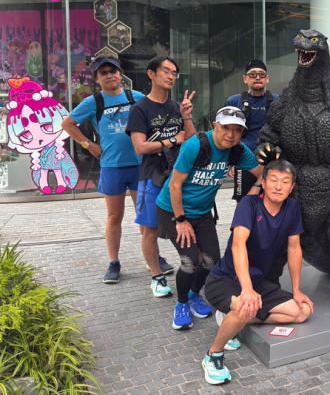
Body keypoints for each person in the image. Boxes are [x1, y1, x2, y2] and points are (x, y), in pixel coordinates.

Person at [202, 160, 314, 385]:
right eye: (273, 180)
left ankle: (231, 318)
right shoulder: (249, 204)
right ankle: (213, 354)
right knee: (245, 305)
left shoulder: (292, 207)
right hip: (226, 279)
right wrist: (246, 290)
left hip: (259, 282)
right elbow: (238, 245)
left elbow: (294, 248)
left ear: (292, 187)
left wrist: (296, 290)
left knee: (301, 311)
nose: (278, 186)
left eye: (285, 182)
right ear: (263, 182)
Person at [156, 106, 262, 330]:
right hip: (172, 210)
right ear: (215, 125)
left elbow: (262, 173)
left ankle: (194, 294)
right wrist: (181, 220)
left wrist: (256, 189)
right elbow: (175, 185)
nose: (230, 135)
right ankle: (181, 304)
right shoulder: (195, 145)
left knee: (212, 260)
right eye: (225, 128)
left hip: (202, 213)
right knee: (190, 261)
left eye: (237, 130)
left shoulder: (238, 150)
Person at [61, 57, 160, 284]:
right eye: (103, 73)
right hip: (112, 167)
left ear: (120, 74)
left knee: (145, 215)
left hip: (140, 165)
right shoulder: (93, 102)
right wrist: (88, 144)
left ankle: (153, 257)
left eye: (113, 71)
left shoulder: (136, 97)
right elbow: (67, 124)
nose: (109, 75)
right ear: (97, 78)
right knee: (114, 216)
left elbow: (154, 119)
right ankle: (114, 262)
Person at [126, 56, 196, 298]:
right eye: (165, 71)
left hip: (178, 176)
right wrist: (171, 140)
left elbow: (192, 140)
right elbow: (140, 147)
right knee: (150, 229)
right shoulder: (140, 109)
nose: (170, 76)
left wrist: (186, 116)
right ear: (151, 73)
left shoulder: (177, 107)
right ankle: (156, 277)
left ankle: (190, 272)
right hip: (152, 176)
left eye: (174, 73)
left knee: (186, 224)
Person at [224, 59, 276, 201]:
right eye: (253, 75)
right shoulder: (234, 101)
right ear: (245, 79)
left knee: (270, 200)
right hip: (243, 160)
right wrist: (231, 160)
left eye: (261, 74)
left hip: (270, 160)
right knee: (243, 201)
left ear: (267, 79)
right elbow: (226, 134)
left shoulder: (277, 102)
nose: (257, 77)